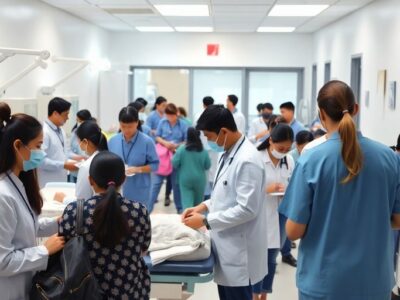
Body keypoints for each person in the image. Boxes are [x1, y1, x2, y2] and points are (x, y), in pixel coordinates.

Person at [279, 80, 400, 300]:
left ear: (321, 115)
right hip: (374, 282)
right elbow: (398, 219)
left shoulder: (311, 160)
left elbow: (293, 231)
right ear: (355, 109)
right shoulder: (389, 158)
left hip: (324, 283)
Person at [182, 105, 268, 300]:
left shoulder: (247, 161)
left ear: (224, 131)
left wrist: (205, 221)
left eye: (209, 135)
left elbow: (247, 209)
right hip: (227, 247)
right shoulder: (227, 153)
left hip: (240, 253)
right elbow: (225, 194)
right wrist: (203, 206)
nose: (208, 140)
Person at [59, 151, 151, 299]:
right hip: (129, 292)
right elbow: (143, 250)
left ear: (90, 180)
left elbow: (63, 250)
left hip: (84, 292)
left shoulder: (74, 212)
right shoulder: (140, 211)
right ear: (124, 179)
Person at [0, 102, 65, 300]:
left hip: (23, 284)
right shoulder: (3, 195)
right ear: (18, 146)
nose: (42, 153)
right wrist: (44, 250)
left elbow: (26, 227)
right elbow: (3, 261)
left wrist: (57, 223)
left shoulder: (17, 183)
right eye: (38, 146)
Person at [253, 123, 295, 300]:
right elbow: (246, 189)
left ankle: (264, 295)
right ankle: (254, 295)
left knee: (271, 259)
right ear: (270, 140)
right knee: (257, 260)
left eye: (287, 148)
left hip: (280, 215)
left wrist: (288, 192)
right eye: (280, 148)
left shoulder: (289, 160)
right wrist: (266, 189)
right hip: (259, 215)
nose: (284, 151)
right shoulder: (255, 158)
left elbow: (293, 185)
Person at [108, 106, 159, 208]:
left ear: (137, 123)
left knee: (139, 220)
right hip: (117, 189)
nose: (126, 130)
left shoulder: (147, 141)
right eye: (123, 126)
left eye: (130, 126)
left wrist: (138, 169)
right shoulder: (112, 141)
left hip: (139, 190)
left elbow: (155, 165)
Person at [54, 121, 109, 204]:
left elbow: (81, 201)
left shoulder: (87, 166)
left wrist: (64, 199)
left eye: (78, 141)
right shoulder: (110, 158)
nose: (78, 144)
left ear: (85, 142)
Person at [150, 103, 188, 213]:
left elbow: (187, 141)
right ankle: (148, 210)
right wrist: (166, 143)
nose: (170, 118)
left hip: (177, 156)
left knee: (176, 185)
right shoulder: (163, 122)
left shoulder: (183, 124)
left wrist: (177, 145)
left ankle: (180, 210)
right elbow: (157, 137)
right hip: (163, 157)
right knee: (156, 184)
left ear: (177, 114)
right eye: (168, 116)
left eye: (172, 116)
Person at [37, 97, 78, 188]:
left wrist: (78, 158)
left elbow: (64, 152)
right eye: (65, 114)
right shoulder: (44, 132)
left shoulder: (61, 131)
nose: (67, 118)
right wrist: (64, 165)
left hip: (61, 180)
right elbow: (40, 161)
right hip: (46, 183)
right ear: (55, 113)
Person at [172, 127, 211, 209]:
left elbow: (174, 163)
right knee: (198, 205)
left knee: (187, 203)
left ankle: (187, 219)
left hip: (185, 179)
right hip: (200, 179)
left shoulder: (182, 149)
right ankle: (196, 220)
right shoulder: (203, 150)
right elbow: (208, 165)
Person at [68, 109, 93, 182]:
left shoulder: (94, 133)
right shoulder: (74, 133)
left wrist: (87, 158)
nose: (79, 123)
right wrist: (78, 157)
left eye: (81, 121)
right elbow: (68, 151)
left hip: (89, 170)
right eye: (77, 121)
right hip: (76, 170)